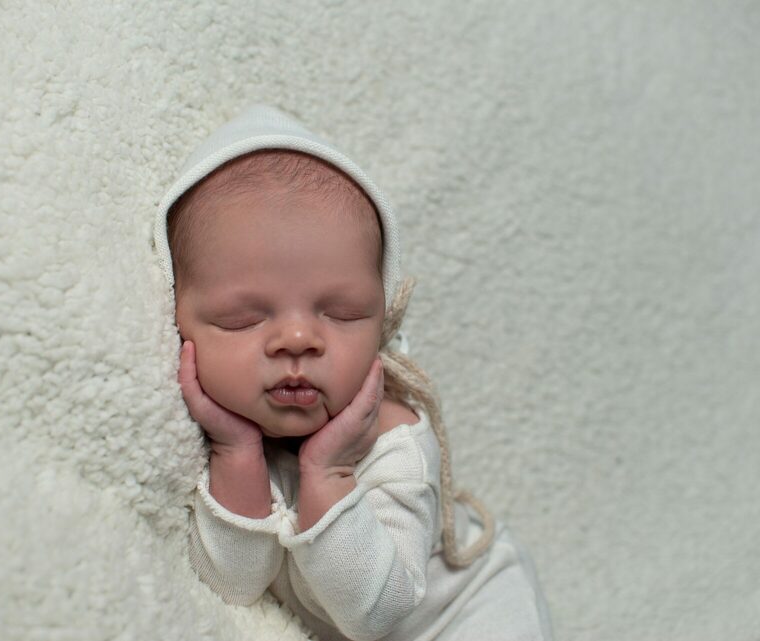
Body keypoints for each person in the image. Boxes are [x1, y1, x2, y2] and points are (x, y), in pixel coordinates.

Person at [153, 105, 553, 641]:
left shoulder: (395, 440)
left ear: (382, 325)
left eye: (341, 314)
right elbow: (231, 587)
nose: (297, 339)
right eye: (243, 318)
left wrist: (328, 471)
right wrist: (236, 455)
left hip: (469, 613)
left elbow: (376, 614)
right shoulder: (220, 437)